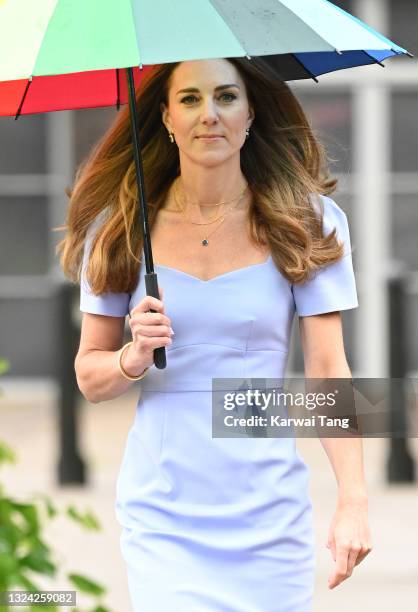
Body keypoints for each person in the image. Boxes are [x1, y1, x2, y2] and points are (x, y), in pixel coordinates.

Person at [58, 56, 372, 611]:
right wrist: (133, 356)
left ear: (250, 113)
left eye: (226, 97)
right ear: (165, 117)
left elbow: (327, 370)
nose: (210, 114)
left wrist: (353, 498)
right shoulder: (120, 231)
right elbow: (89, 375)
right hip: (165, 512)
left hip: (268, 510)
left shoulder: (306, 221)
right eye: (191, 99)